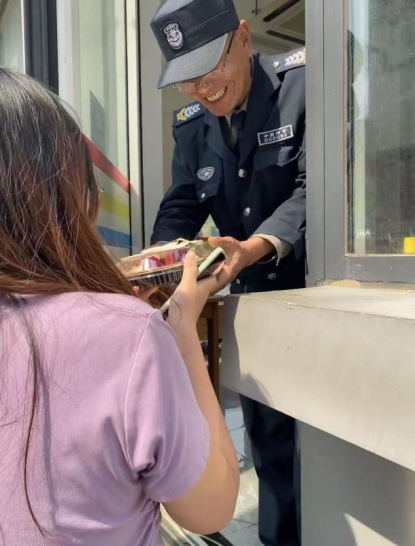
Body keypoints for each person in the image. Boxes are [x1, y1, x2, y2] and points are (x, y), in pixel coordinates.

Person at [0, 68, 239, 546]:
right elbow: (210, 509)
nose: (201, 87)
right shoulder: (129, 335)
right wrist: (178, 329)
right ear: (69, 193)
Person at [150, 1, 306, 544]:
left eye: (210, 69)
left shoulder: (302, 87)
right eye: (187, 79)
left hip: (310, 294)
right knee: (271, 448)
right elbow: (181, 204)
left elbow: (317, 190)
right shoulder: (193, 127)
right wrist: (158, 263)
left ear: (243, 37)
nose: (202, 89)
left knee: (324, 452)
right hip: (253, 309)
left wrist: (255, 246)